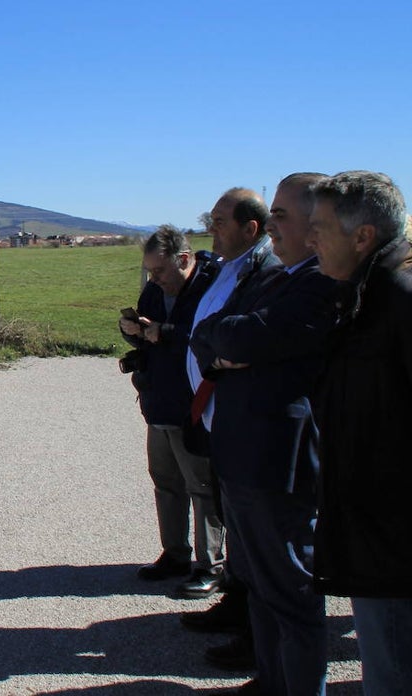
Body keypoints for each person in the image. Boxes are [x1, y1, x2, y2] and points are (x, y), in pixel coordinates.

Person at [190, 173, 337, 696]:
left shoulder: (320, 282)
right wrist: (227, 343)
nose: (271, 224)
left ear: (318, 227)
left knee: (291, 593)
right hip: (244, 454)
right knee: (261, 587)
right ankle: (271, 679)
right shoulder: (279, 277)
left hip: (278, 463)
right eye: (270, 213)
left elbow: (243, 332)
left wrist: (231, 341)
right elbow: (215, 330)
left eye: (282, 214)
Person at [308, 171, 412, 694]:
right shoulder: (363, 292)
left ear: (363, 236)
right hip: (374, 533)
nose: (310, 240)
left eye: (320, 227)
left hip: (394, 541)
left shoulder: (399, 295)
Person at [180, 187, 279, 671]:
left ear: (250, 228)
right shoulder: (227, 266)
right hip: (216, 413)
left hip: (240, 416)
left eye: (219, 221)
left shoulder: (267, 271)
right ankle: (236, 604)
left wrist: (209, 340)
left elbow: (237, 334)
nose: (210, 228)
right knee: (231, 512)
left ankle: (254, 631)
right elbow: (210, 329)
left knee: (250, 527)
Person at [119, 226, 225, 597]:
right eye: (149, 272)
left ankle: (211, 564)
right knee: (165, 482)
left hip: (194, 403)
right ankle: (175, 553)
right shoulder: (154, 289)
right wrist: (132, 330)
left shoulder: (212, 287)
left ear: (183, 260)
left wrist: (166, 332)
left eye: (160, 271)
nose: (154, 279)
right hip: (158, 399)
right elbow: (148, 334)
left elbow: (211, 335)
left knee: (202, 486)